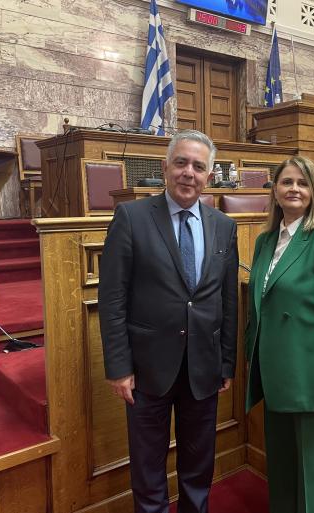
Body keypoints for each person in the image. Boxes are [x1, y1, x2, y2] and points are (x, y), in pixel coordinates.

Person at [99, 129, 238, 513]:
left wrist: (227, 361)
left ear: (209, 175)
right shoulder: (131, 217)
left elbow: (228, 299)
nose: (188, 173)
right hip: (147, 369)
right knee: (148, 469)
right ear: (165, 168)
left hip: (203, 368)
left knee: (198, 466)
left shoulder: (223, 226)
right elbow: (112, 298)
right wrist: (119, 367)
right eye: (181, 163)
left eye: (198, 166)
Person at [245, 156, 314, 513]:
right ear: (275, 191)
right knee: (282, 468)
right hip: (274, 372)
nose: (294, 189)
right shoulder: (265, 241)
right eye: (287, 182)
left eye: (303, 183)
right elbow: (259, 306)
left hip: (312, 375)